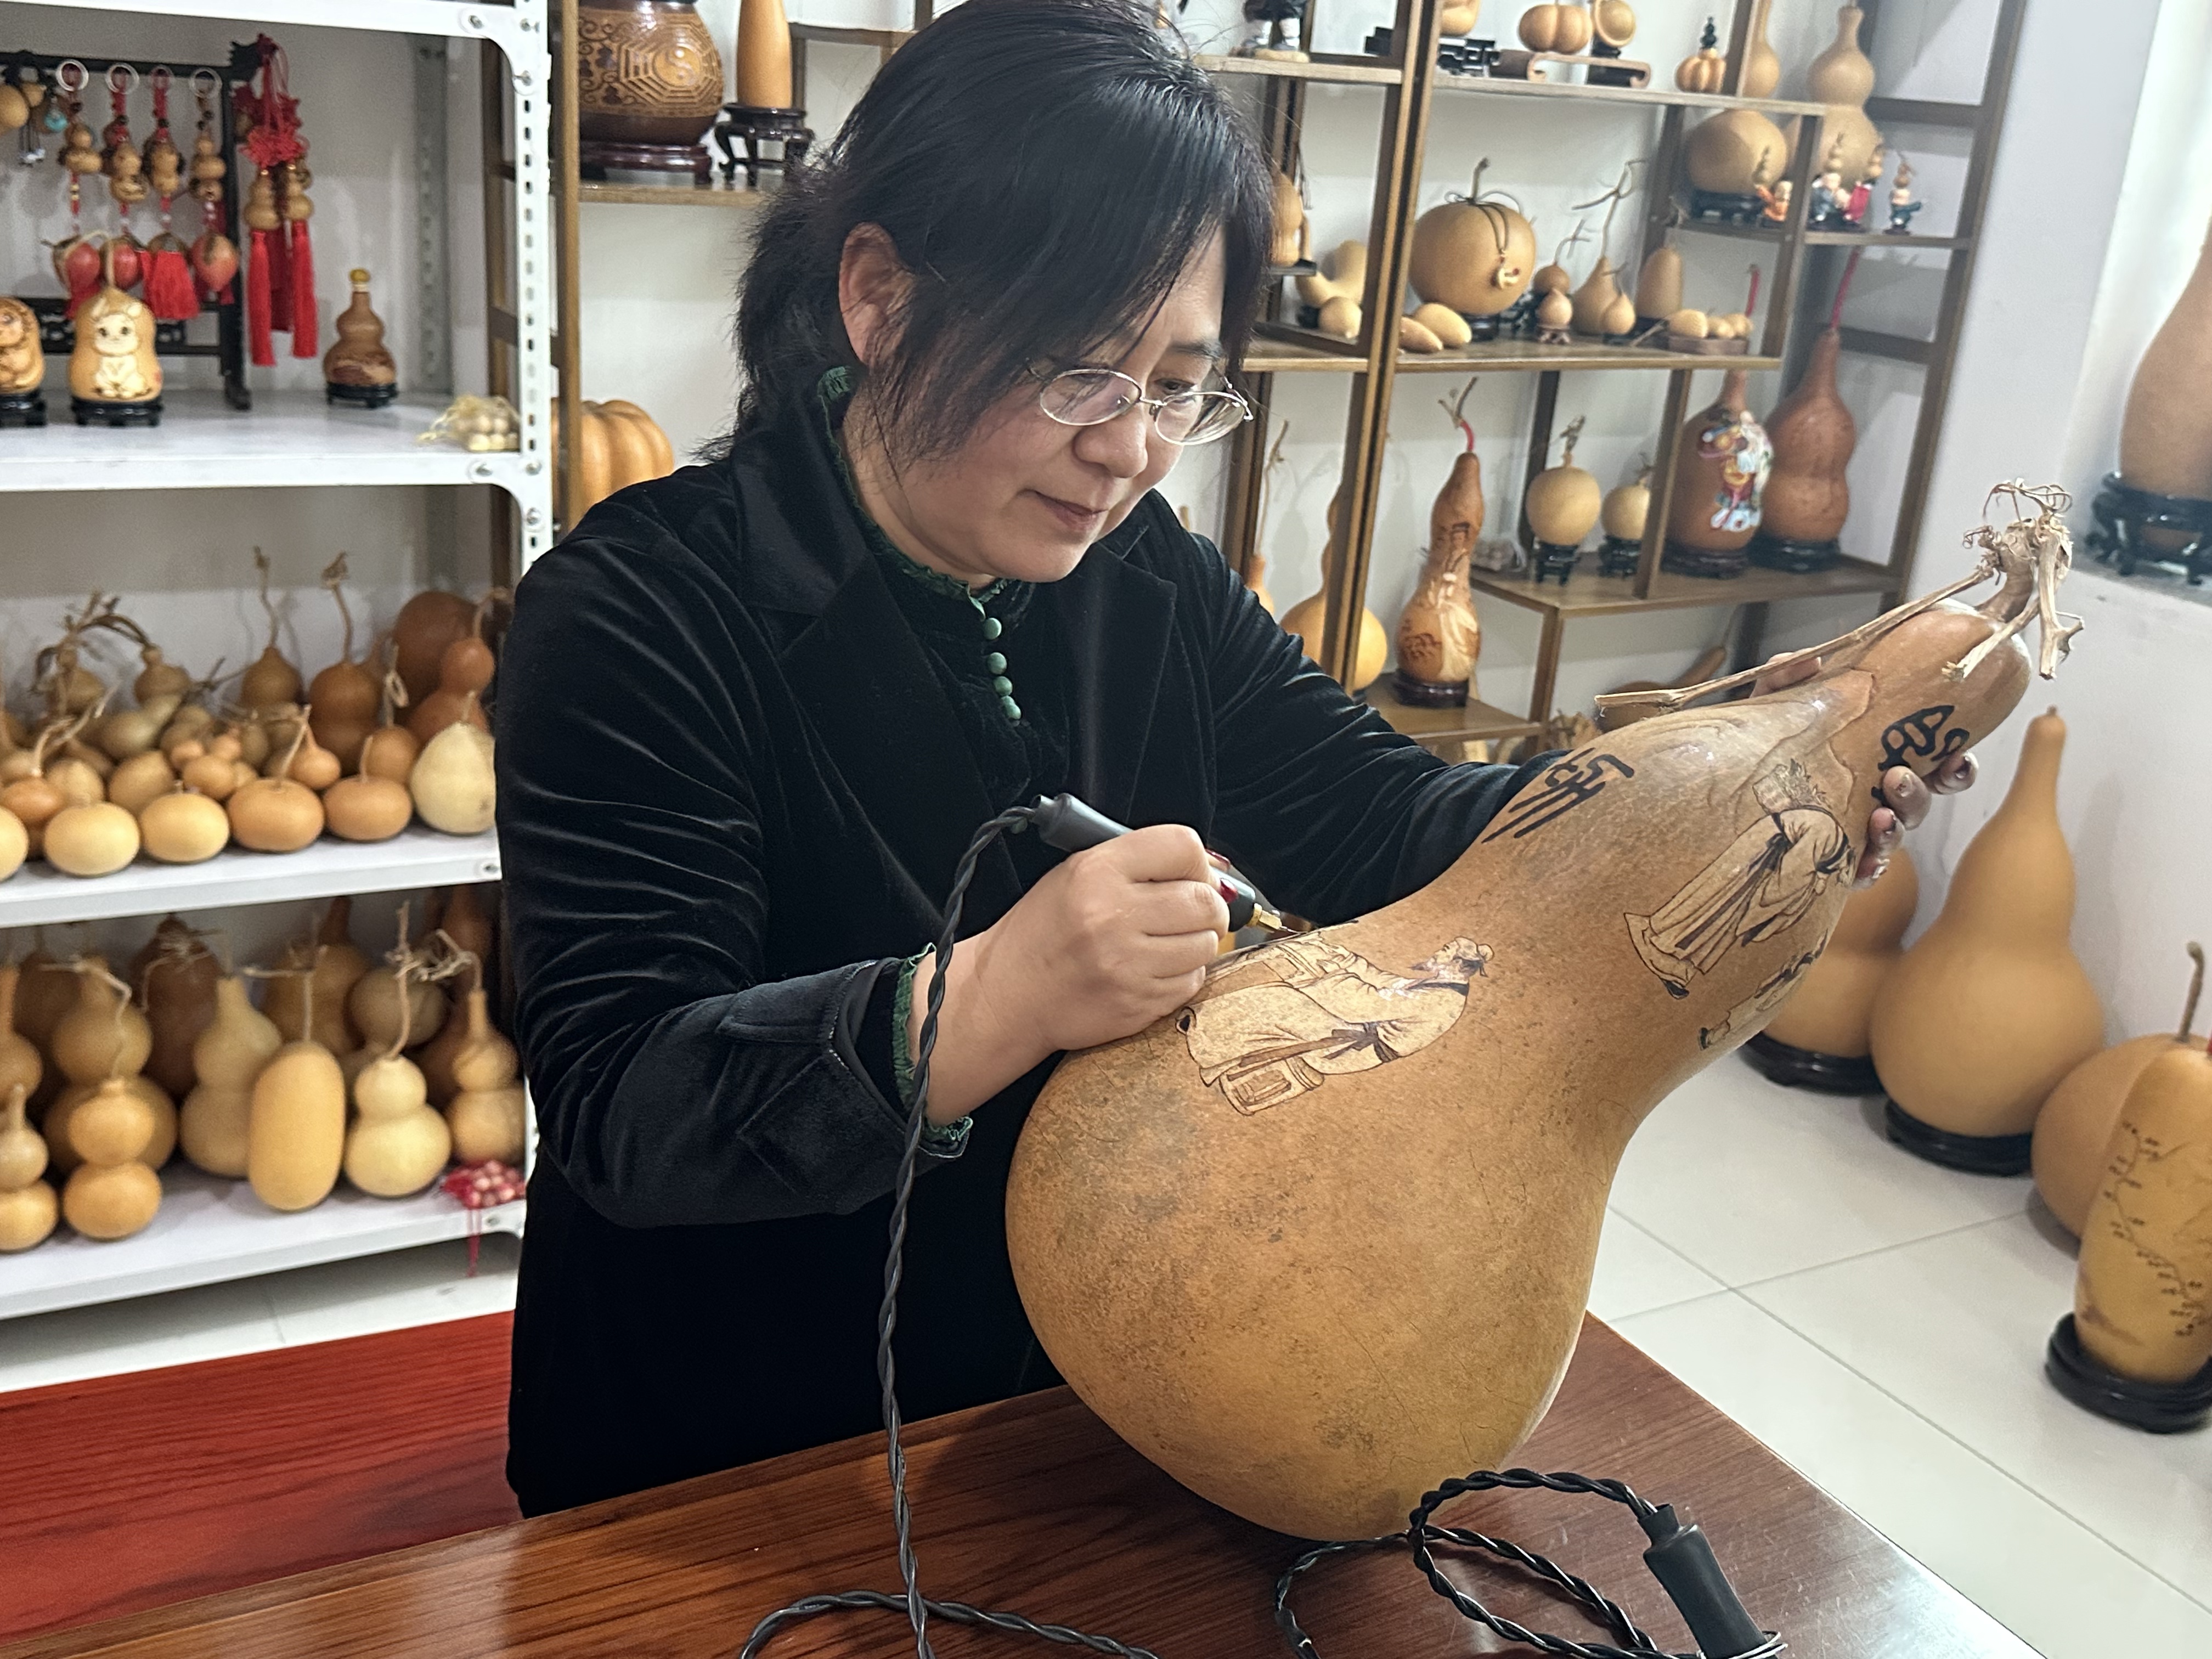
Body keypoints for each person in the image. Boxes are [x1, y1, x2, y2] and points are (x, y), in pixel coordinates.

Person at [494, 0, 1969, 1519]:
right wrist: (989, 997)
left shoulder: (1144, 579)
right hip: (725, 1440)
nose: (1129, 449)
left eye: (1177, 388)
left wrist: (1706, 786)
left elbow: (1386, 819)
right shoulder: (637, 613)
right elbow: (626, 1108)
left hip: (1086, 1389)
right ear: (879, 296)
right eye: (1077, 371)